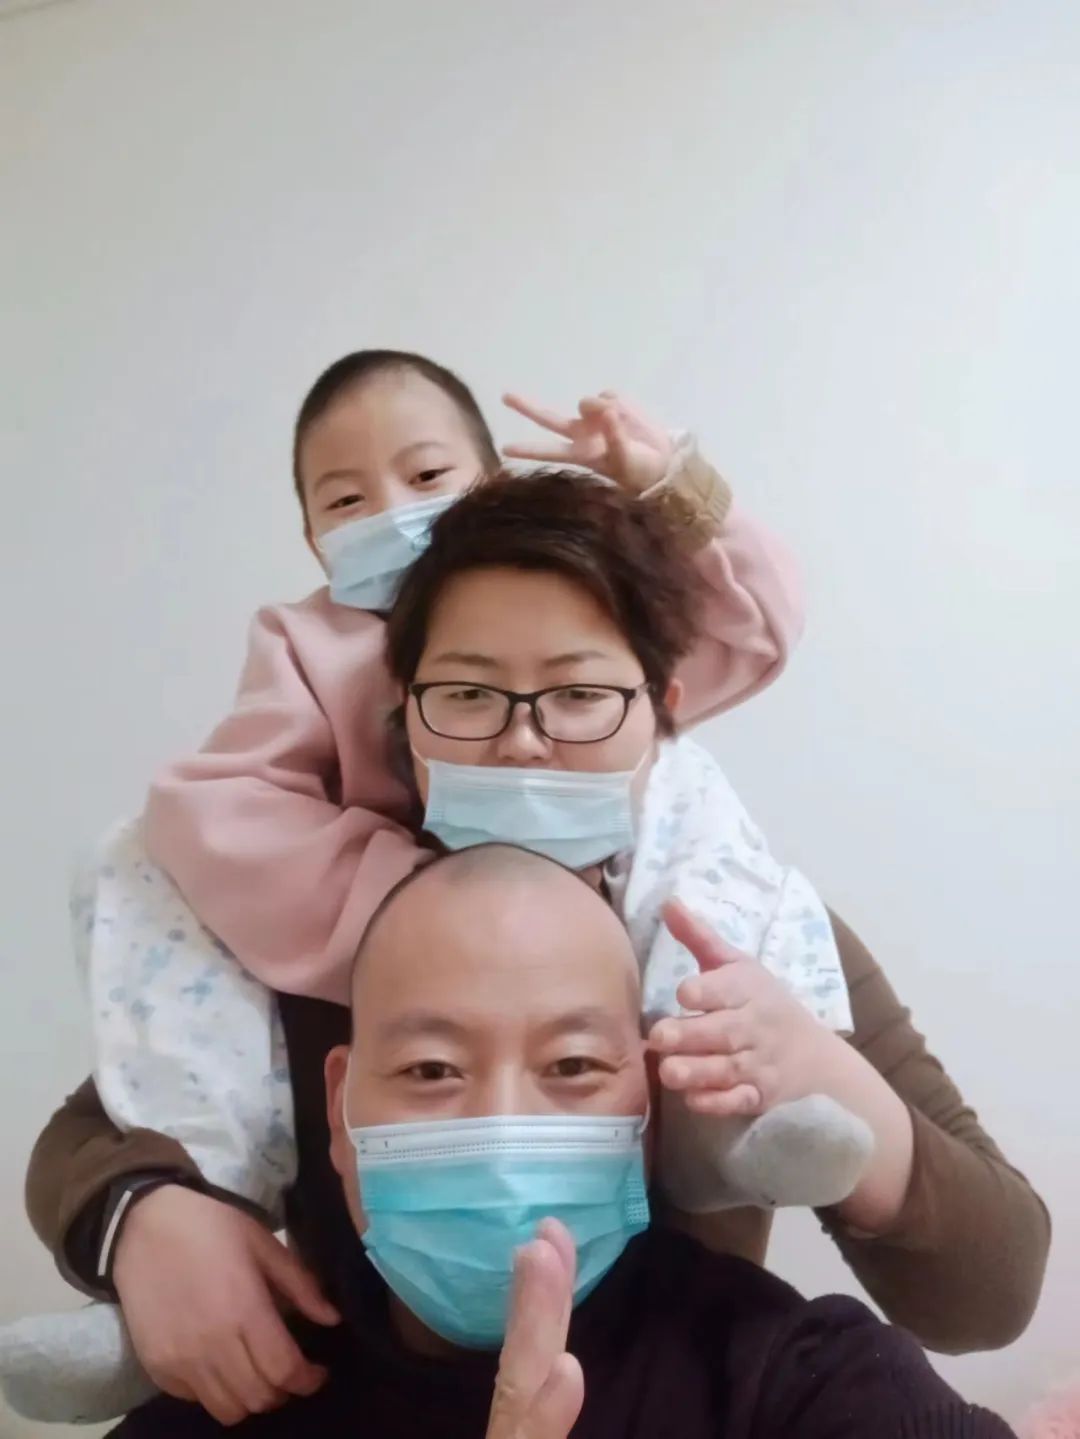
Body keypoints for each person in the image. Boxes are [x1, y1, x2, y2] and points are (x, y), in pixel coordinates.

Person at [12, 475, 1048, 1430]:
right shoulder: (323, 923)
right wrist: (143, 1212)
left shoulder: (745, 928)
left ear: (662, 710)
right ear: (406, 716)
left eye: (579, 694)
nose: (522, 741)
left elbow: (990, 1288)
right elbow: (109, 1116)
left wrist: (838, 1084)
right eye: (468, 694)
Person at [2, 356, 805, 1424]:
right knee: (134, 870)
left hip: (674, 1359)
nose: (390, 512)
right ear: (311, 538)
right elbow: (210, 806)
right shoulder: (309, 643)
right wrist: (416, 904)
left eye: (426, 475)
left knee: (708, 868)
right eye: (345, 498)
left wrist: (674, 486)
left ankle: (753, 1143)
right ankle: (159, 1316)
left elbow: (754, 631)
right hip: (351, 1348)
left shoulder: (618, 684)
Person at [105, 845, 1015, 1438]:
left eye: (573, 1065)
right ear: (341, 1105)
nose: (500, 1131)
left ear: (649, 1107)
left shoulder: (786, 1377)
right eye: (431, 1069)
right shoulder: (226, 1404)